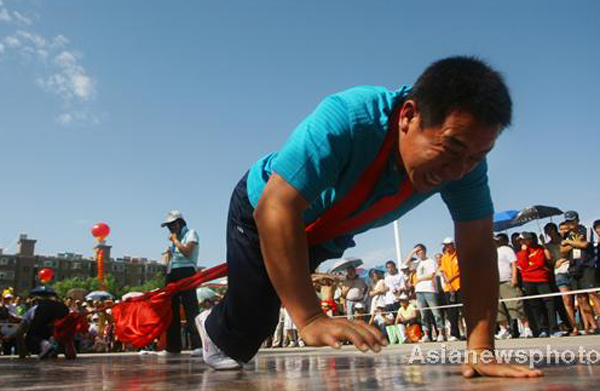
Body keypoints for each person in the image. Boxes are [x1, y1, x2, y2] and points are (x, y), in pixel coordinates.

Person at [195, 56, 540, 377]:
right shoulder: (347, 117)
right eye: (450, 150)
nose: (458, 171)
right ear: (408, 116)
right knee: (249, 327)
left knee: (269, 301)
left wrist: (480, 350)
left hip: (325, 231)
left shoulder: (467, 167)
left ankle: (235, 310)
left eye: (478, 156)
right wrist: (311, 317)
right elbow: (277, 207)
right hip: (263, 207)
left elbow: (477, 249)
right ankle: (212, 322)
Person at [160, 210, 203, 356]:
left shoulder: (191, 233)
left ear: (179, 223)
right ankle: (172, 347)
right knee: (171, 310)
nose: (170, 229)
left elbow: (187, 252)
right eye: (168, 227)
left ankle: (198, 345)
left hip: (187, 271)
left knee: (190, 307)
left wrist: (175, 241)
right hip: (172, 272)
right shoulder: (175, 238)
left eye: (172, 225)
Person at [562, 211, 600, 334]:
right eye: (567, 221)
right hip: (573, 268)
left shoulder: (586, 230)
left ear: (577, 220)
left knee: (592, 294)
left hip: (587, 267)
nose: (570, 223)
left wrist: (570, 243)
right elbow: (562, 249)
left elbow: (584, 244)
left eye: (572, 220)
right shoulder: (567, 235)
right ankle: (594, 326)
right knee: (581, 298)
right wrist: (572, 243)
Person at [516, 232, 560, 337]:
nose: (522, 242)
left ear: (529, 239)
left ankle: (554, 328)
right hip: (528, 281)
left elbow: (539, 263)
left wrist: (528, 269)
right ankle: (542, 329)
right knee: (535, 306)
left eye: (523, 240)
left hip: (541, 279)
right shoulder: (520, 252)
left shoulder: (539, 249)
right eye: (520, 240)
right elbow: (523, 265)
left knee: (549, 303)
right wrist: (524, 251)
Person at [494, 234, 532, 339]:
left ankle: (526, 328)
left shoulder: (507, 249)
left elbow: (513, 263)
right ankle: (504, 329)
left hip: (507, 280)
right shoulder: (492, 251)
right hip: (495, 282)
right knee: (498, 307)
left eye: (498, 240)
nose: (496, 242)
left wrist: (514, 277)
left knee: (516, 304)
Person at [544, 223, 578, 335]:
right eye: (547, 231)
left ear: (555, 230)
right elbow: (549, 261)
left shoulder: (566, 240)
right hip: (559, 272)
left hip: (572, 268)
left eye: (551, 230)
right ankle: (574, 327)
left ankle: (588, 325)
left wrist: (564, 258)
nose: (549, 233)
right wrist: (555, 262)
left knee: (580, 299)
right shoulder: (547, 246)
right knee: (567, 300)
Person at [409, 244, 446, 342]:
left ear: (425, 250)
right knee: (423, 314)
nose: (419, 253)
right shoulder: (416, 263)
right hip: (419, 291)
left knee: (436, 313)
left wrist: (419, 279)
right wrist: (412, 252)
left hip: (430, 290)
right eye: (417, 252)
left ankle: (441, 333)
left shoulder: (431, 262)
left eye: (420, 250)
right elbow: (404, 264)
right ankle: (426, 334)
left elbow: (431, 275)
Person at [439, 237, 464, 340]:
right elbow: (443, 271)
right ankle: (454, 334)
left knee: (464, 310)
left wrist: (450, 279)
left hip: (460, 286)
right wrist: (449, 284)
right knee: (452, 312)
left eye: (448, 244)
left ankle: (469, 331)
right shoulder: (444, 257)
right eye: (445, 245)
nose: (446, 247)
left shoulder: (459, 254)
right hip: (449, 289)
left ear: (453, 244)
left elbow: (461, 270)